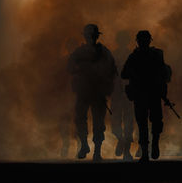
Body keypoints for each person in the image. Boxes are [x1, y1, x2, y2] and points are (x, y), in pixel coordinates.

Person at [67, 24, 117, 161]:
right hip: (83, 91)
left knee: (98, 123)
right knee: (80, 120)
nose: (90, 38)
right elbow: (70, 67)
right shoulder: (79, 52)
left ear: (96, 36)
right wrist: (81, 71)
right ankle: (84, 144)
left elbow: (113, 71)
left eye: (92, 35)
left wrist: (102, 81)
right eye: (88, 35)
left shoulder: (104, 52)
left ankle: (97, 151)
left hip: (97, 93)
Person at [121, 30, 170, 163]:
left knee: (150, 123)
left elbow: (164, 74)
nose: (143, 42)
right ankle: (147, 150)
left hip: (150, 94)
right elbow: (124, 73)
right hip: (144, 94)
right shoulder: (137, 56)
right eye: (142, 40)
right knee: (145, 124)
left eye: (144, 40)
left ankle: (152, 146)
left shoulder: (152, 55)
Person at [111, 31, 134, 161]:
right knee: (116, 123)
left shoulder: (132, 55)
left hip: (130, 92)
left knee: (129, 122)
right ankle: (121, 140)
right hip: (116, 92)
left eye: (124, 39)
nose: (122, 42)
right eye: (121, 39)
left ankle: (127, 150)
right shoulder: (112, 55)